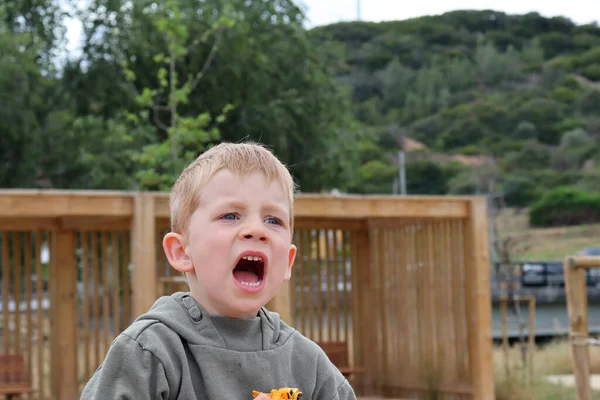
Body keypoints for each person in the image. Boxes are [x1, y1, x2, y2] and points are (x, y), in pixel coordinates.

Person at [80, 142, 357, 400]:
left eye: (273, 220)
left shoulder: (309, 365)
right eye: (230, 215)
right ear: (181, 251)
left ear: (288, 262)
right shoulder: (149, 353)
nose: (257, 230)